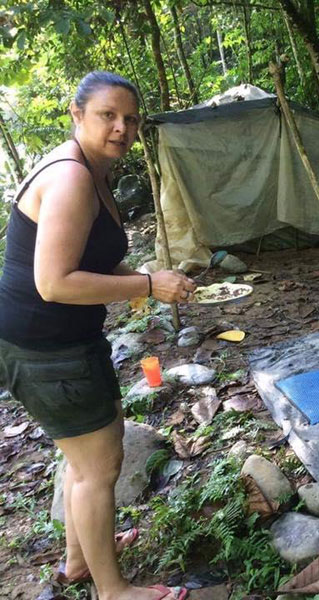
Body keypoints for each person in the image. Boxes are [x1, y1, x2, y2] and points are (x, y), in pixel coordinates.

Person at [0, 72, 193, 600]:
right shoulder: (72, 178)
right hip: (44, 348)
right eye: (108, 115)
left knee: (85, 457)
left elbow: (91, 255)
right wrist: (148, 284)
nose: (121, 127)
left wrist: (144, 278)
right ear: (77, 112)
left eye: (130, 118)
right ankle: (112, 590)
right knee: (98, 465)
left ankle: (80, 559)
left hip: (60, 343)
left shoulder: (92, 170)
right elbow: (54, 281)